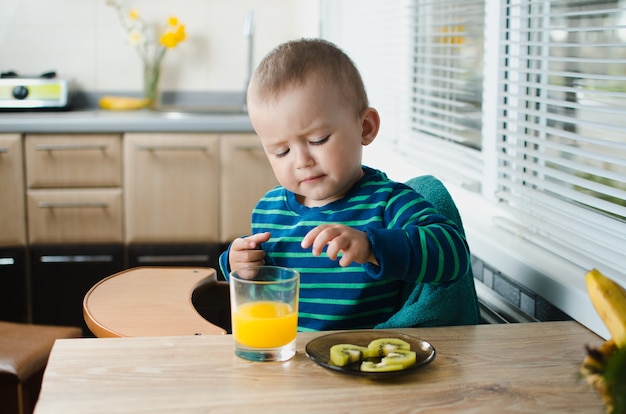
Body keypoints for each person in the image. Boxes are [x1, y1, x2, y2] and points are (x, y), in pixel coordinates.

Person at [219, 38, 473, 331]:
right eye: (281, 151)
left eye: (318, 140)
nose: (302, 161)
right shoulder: (269, 210)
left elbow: (454, 257)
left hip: (362, 362)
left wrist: (372, 246)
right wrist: (236, 265)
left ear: (365, 127)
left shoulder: (388, 202)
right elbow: (264, 287)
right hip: (292, 360)